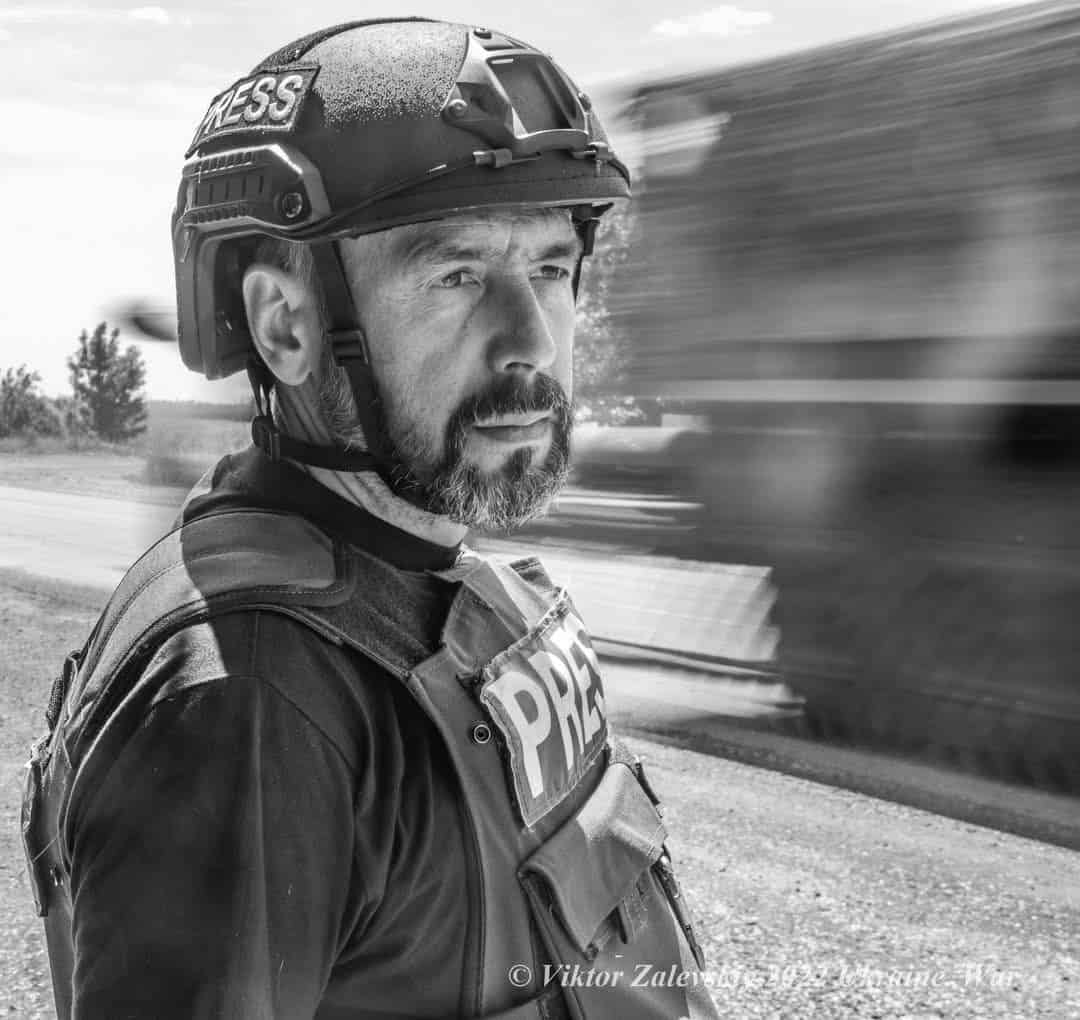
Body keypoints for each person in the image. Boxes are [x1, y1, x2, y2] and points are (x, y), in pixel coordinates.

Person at [22, 18, 720, 1020]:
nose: (531, 341)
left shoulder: (447, 587)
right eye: (458, 275)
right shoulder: (250, 705)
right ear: (287, 325)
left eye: (550, 269)